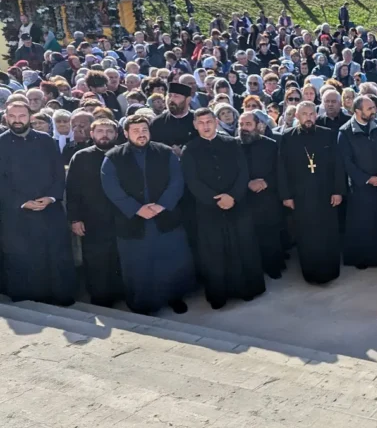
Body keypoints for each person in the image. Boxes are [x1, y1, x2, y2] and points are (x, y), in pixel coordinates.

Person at [100, 114, 195, 315]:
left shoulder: (165, 152)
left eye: (144, 130)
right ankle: (142, 303)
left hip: (165, 217)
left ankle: (174, 297)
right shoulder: (113, 157)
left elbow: (177, 181)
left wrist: (163, 205)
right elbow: (111, 187)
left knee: (172, 260)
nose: (141, 134)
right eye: (135, 131)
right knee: (138, 265)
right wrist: (136, 208)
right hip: (133, 221)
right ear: (125, 133)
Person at [181, 108, 266, 308]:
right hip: (208, 209)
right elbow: (192, 181)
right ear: (195, 125)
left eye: (209, 121)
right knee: (214, 253)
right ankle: (219, 296)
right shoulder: (190, 149)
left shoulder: (232, 143)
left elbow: (242, 172)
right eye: (201, 122)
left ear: (216, 122)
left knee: (242, 247)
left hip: (237, 205)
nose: (205, 126)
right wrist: (215, 199)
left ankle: (246, 290)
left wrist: (233, 196)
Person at [0, 101, 76, 306]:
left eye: (22, 115)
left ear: (30, 116)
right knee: (22, 257)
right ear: (6, 117)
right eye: (13, 116)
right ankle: (25, 299)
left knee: (55, 255)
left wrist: (51, 197)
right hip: (16, 214)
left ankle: (60, 297)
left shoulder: (45, 141)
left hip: (49, 210)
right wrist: (22, 202)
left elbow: (59, 173)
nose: (17, 120)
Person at [277, 101, 344, 283]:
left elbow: (338, 165)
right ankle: (311, 273)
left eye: (312, 114)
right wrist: (286, 196)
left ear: (316, 115)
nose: (309, 117)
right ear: (297, 116)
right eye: (304, 114)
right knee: (307, 235)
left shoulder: (328, 135)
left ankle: (331, 271)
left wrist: (338, 191)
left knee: (328, 233)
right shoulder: (287, 137)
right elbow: (281, 169)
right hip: (301, 196)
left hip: (326, 193)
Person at [66, 118, 122, 307]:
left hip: (123, 218)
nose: (104, 135)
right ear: (92, 134)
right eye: (100, 131)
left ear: (116, 134)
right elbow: (72, 190)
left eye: (109, 131)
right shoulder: (81, 157)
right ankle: (100, 299)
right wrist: (75, 218)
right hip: (92, 219)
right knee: (96, 261)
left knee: (120, 258)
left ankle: (122, 294)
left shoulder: (124, 154)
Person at [338, 95, 377, 269]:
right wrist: (366, 179)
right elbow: (347, 162)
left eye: (374, 107)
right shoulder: (345, 132)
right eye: (369, 108)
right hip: (361, 188)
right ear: (357, 111)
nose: (374, 111)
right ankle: (362, 259)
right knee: (363, 225)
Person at [238, 111, 285, 280]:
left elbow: (279, 170)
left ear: (258, 126)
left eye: (248, 125)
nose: (244, 129)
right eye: (241, 125)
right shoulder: (233, 146)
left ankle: (273, 266)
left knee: (270, 235)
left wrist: (266, 182)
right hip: (244, 198)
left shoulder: (271, 145)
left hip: (268, 197)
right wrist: (247, 184)